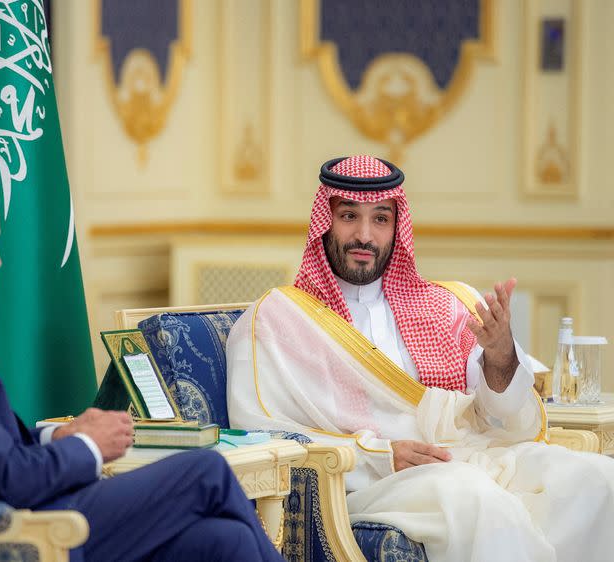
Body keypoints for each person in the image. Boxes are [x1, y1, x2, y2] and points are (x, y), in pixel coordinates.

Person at [0, 165, 284, 562]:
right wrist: (88, 446)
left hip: (21, 513)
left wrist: (58, 435)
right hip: (1, 536)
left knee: (225, 540)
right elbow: (3, 479)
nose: (0, 260)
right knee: (206, 472)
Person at [226, 155, 614, 562]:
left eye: (380, 219)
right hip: (370, 482)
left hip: (473, 456)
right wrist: (378, 456)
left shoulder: (444, 305)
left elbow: (500, 416)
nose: (364, 235)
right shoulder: (278, 319)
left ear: (397, 228)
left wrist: (500, 356)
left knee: (597, 480)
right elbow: (260, 436)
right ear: (325, 221)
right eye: (348, 216)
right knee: (475, 500)